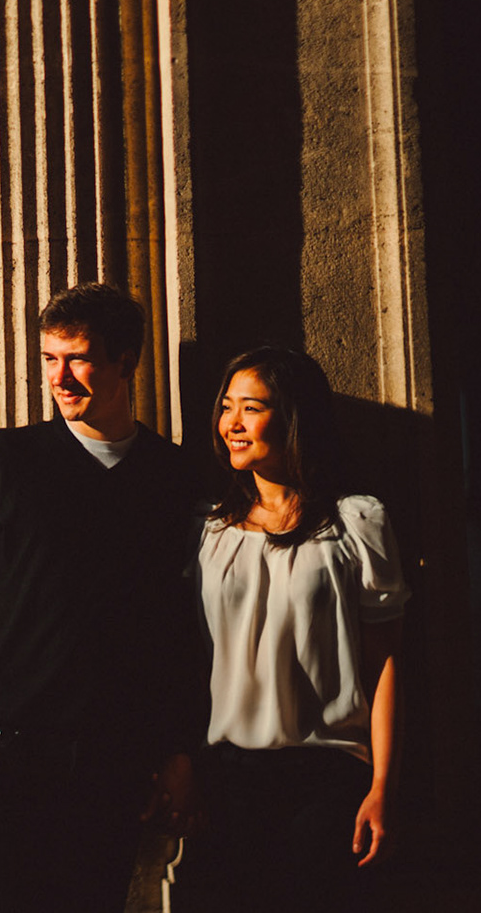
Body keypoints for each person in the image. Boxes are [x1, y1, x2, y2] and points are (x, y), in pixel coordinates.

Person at [0, 283, 208, 913]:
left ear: (126, 361)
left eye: (77, 359)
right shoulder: (6, 459)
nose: (59, 378)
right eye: (50, 359)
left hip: (117, 759)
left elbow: (177, 627)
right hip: (6, 753)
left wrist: (177, 749)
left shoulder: (171, 475)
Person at [180, 346, 408, 912]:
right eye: (226, 406)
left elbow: (384, 664)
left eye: (251, 407)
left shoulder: (356, 522)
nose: (232, 423)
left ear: (293, 417)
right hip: (226, 780)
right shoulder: (207, 531)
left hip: (326, 779)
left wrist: (383, 788)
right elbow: (180, 660)